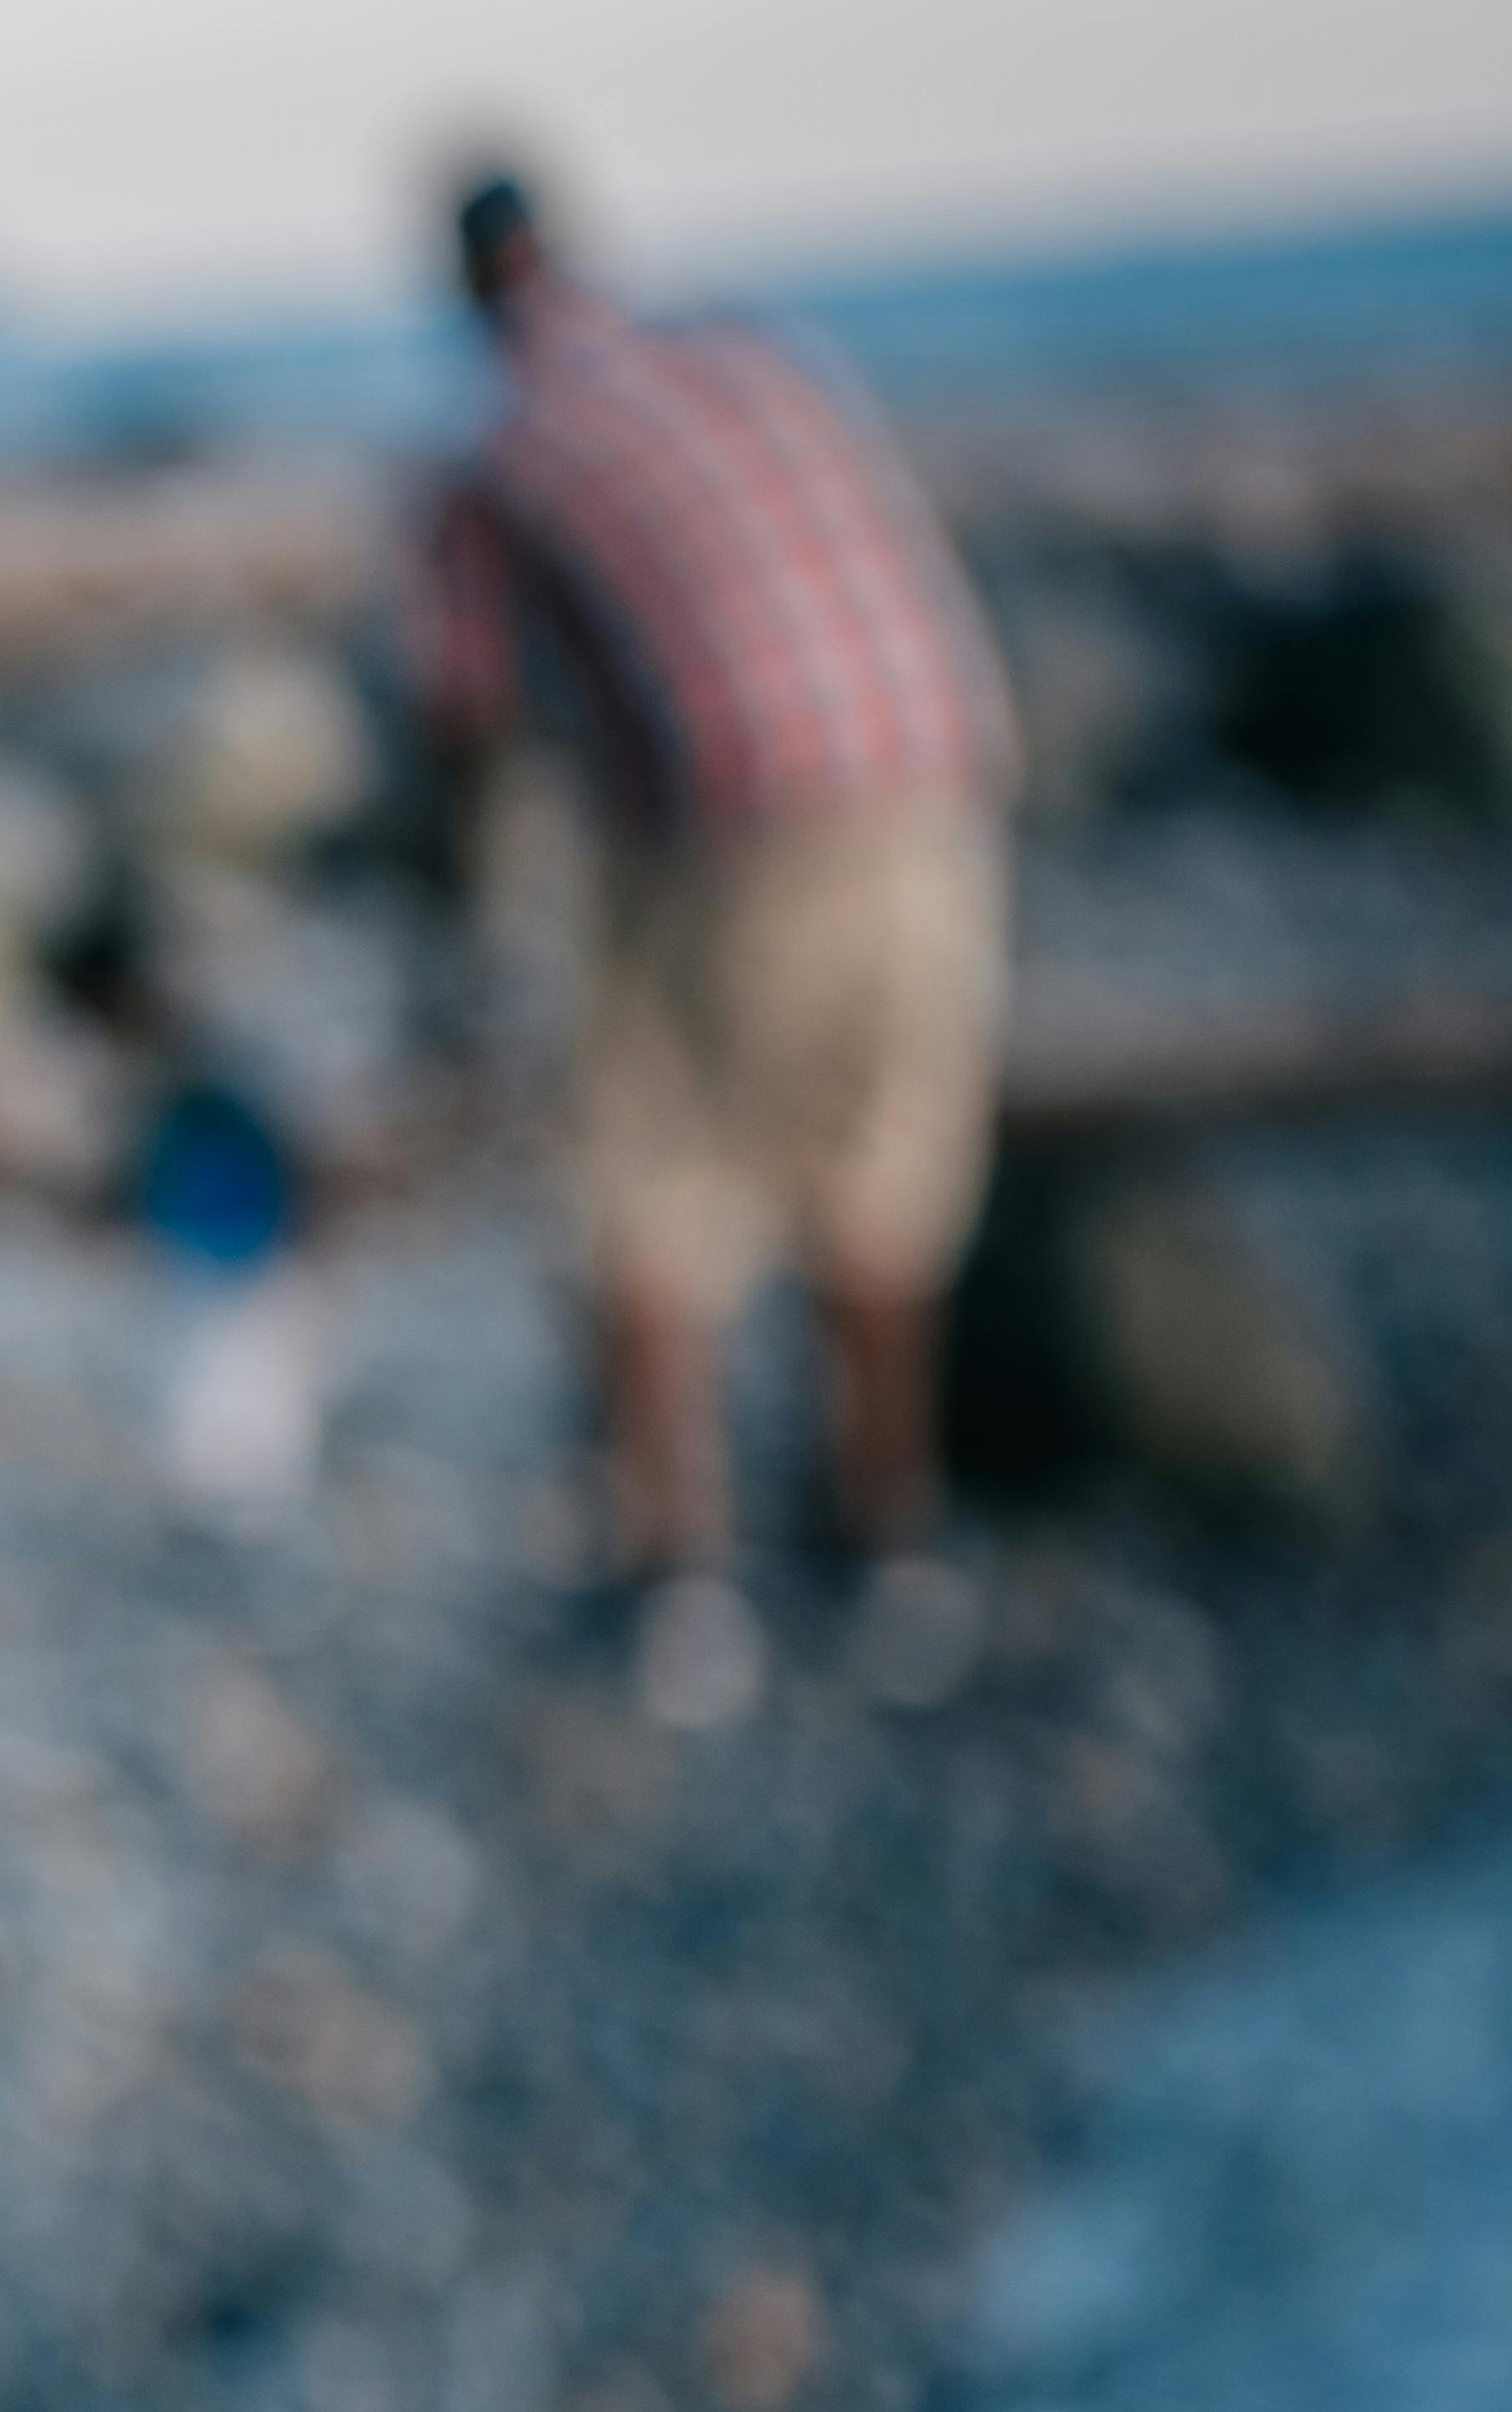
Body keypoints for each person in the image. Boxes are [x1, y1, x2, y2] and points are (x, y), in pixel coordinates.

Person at [413, 164, 1017, 1727]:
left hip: (743, 833)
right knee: (881, 1169)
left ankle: (681, 1587)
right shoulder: (758, 358)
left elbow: (467, 724)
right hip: (936, 792)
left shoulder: (497, 460)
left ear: (468, 291)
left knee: (644, 1184)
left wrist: (466, 940)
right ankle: (889, 1544)